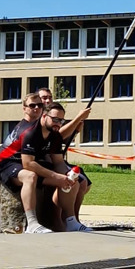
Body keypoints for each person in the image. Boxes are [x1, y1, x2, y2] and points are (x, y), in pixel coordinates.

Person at [0, 94, 78, 233]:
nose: (58, 123)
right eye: (55, 119)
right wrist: (56, 176)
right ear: (44, 116)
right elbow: (28, 164)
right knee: (30, 176)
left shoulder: (53, 132)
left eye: (61, 121)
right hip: (6, 162)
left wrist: (66, 176)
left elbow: (58, 161)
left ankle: (70, 221)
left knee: (73, 181)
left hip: (26, 162)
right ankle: (32, 224)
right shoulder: (29, 131)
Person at [37, 87, 93, 224]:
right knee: (75, 182)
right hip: (43, 162)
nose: (48, 100)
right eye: (44, 98)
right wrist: (77, 119)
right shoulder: (40, 119)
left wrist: (75, 130)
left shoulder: (53, 117)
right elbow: (59, 135)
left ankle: (73, 218)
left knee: (83, 182)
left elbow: (59, 139)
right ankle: (64, 218)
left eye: (49, 97)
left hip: (55, 159)